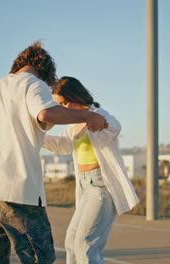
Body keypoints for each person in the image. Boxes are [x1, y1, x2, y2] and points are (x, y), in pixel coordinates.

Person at [0, 41, 108, 264]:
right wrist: (87, 116)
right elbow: (45, 114)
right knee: (38, 255)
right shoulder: (33, 83)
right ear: (46, 72)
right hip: (17, 188)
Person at [43, 76, 139, 264]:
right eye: (59, 105)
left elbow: (115, 127)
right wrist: (39, 136)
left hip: (101, 186)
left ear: (75, 96)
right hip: (85, 186)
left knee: (85, 244)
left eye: (64, 103)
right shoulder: (73, 125)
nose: (62, 108)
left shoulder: (97, 113)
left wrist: (97, 120)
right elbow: (63, 145)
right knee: (71, 242)